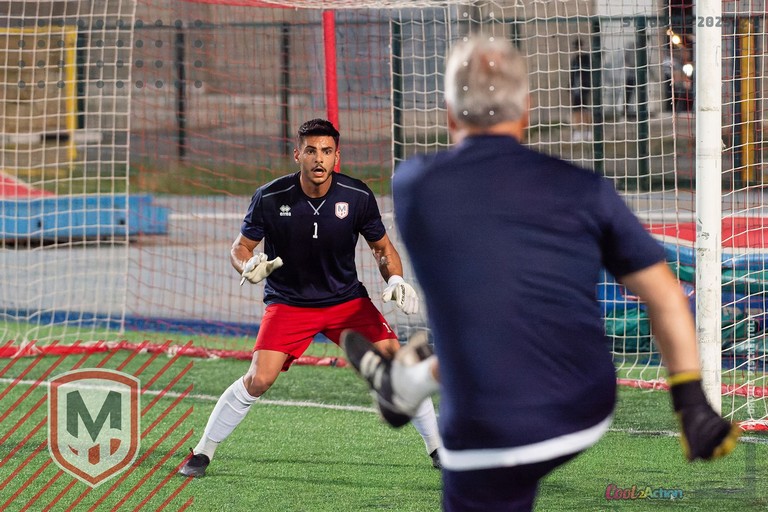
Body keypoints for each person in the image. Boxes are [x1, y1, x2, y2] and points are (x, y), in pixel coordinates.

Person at [340, 37, 740, 511]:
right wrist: (690, 404)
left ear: (449, 114)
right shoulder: (586, 189)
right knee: (500, 321)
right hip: (583, 406)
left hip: (489, 423)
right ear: (526, 111)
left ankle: (408, 379)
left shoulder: (414, 184)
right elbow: (666, 295)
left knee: (480, 327)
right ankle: (409, 380)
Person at [179, 118, 442, 478]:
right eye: (312, 150)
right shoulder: (270, 197)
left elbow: (382, 248)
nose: (319, 159)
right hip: (289, 303)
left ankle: (440, 450)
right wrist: (246, 265)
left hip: (347, 303)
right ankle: (203, 451)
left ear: (337, 156)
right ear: (297, 154)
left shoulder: (358, 195)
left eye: (327, 151)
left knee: (400, 366)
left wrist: (395, 276)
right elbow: (241, 247)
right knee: (259, 378)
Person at [569, 38, 593, 141]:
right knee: (576, 110)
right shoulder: (574, 59)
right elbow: (572, 74)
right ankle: (577, 132)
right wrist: (570, 85)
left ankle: (587, 131)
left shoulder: (586, 58)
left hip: (584, 87)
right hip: (576, 88)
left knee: (585, 109)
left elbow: (588, 72)